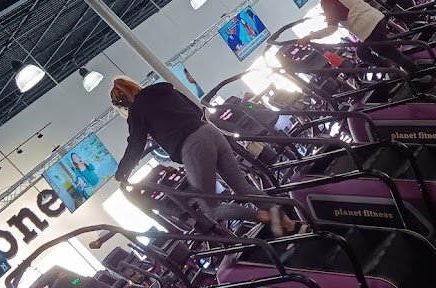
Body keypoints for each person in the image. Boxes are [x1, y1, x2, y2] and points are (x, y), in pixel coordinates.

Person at [110, 76, 300, 235]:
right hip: (210, 132)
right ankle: (290, 223)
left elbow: (136, 144)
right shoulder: (165, 90)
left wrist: (122, 172)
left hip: (192, 147)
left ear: (123, 104)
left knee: (211, 207)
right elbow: (195, 110)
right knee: (242, 187)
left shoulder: (136, 111)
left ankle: (264, 217)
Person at [304, 0, 432, 85]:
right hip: (377, 18)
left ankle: (424, 78)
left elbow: (332, 28)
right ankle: (391, 70)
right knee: (362, 53)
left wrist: (309, 37)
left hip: (368, 30)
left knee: (395, 56)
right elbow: (348, 6)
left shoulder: (326, 1)